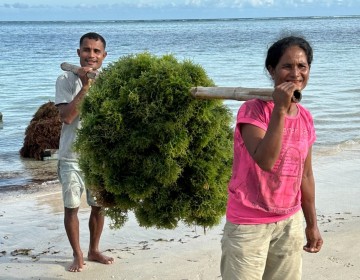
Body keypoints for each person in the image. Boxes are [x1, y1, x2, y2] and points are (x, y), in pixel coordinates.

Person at [220, 35, 323, 280]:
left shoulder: (305, 117)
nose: (296, 73)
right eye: (287, 66)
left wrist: (311, 223)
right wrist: (279, 109)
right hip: (248, 223)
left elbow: (305, 175)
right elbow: (266, 161)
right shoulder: (253, 110)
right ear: (271, 70)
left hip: (290, 221)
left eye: (302, 66)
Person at [55, 32, 113, 272]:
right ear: (79, 53)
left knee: (99, 206)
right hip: (71, 157)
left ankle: (93, 249)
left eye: (96, 51)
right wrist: (86, 86)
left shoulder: (109, 81)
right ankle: (78, 254)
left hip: (97, 157)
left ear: (104, 56)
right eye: (87, 50)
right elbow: (67, 117)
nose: (91, 55)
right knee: (72, 208)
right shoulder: (66, 79)